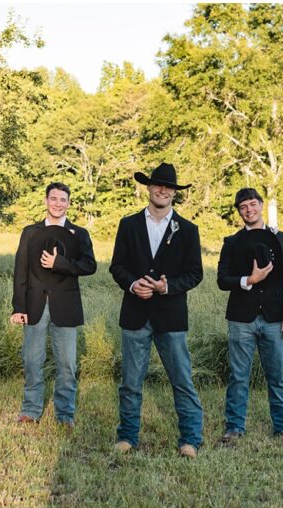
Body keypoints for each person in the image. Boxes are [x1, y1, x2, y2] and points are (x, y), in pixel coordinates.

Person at [109, 163, 204, 457]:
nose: (163, 190)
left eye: (169, 187)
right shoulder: (129, 225)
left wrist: (168, 286)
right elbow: (117, 266)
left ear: (174, 193)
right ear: (149, 188)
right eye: (158, 185)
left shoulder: (188, 230)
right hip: (135, 313)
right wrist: (133, 283)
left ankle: (190, 439)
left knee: (182, 380)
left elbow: (195, 273)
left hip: (171, 316)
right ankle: (127, 436)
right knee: (131, 381)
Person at [217, 188, 283, 444]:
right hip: (241, 318)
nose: (249, 210)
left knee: (276, 375)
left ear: (261, 205)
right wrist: (248, 280)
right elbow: (222, 280)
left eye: (252, 204)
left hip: (276, 317)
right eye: (243, 207)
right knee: (238, 375)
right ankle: (234, 426)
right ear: (239, 212)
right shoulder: (231, 242)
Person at [10, 182, 97, 426]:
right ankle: (31, 409)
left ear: (69, 203)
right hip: (34, 304)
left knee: (67, 363)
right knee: (31, 359)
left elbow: (89, 266)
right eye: (53, 199)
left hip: (65, 305)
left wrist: (60, 263)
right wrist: (18, 307)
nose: (58, 204)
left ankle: (64, 413)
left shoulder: (79, 234)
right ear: (46, 201)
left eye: (62, 200)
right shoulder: (30, 232)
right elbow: (21, 271)